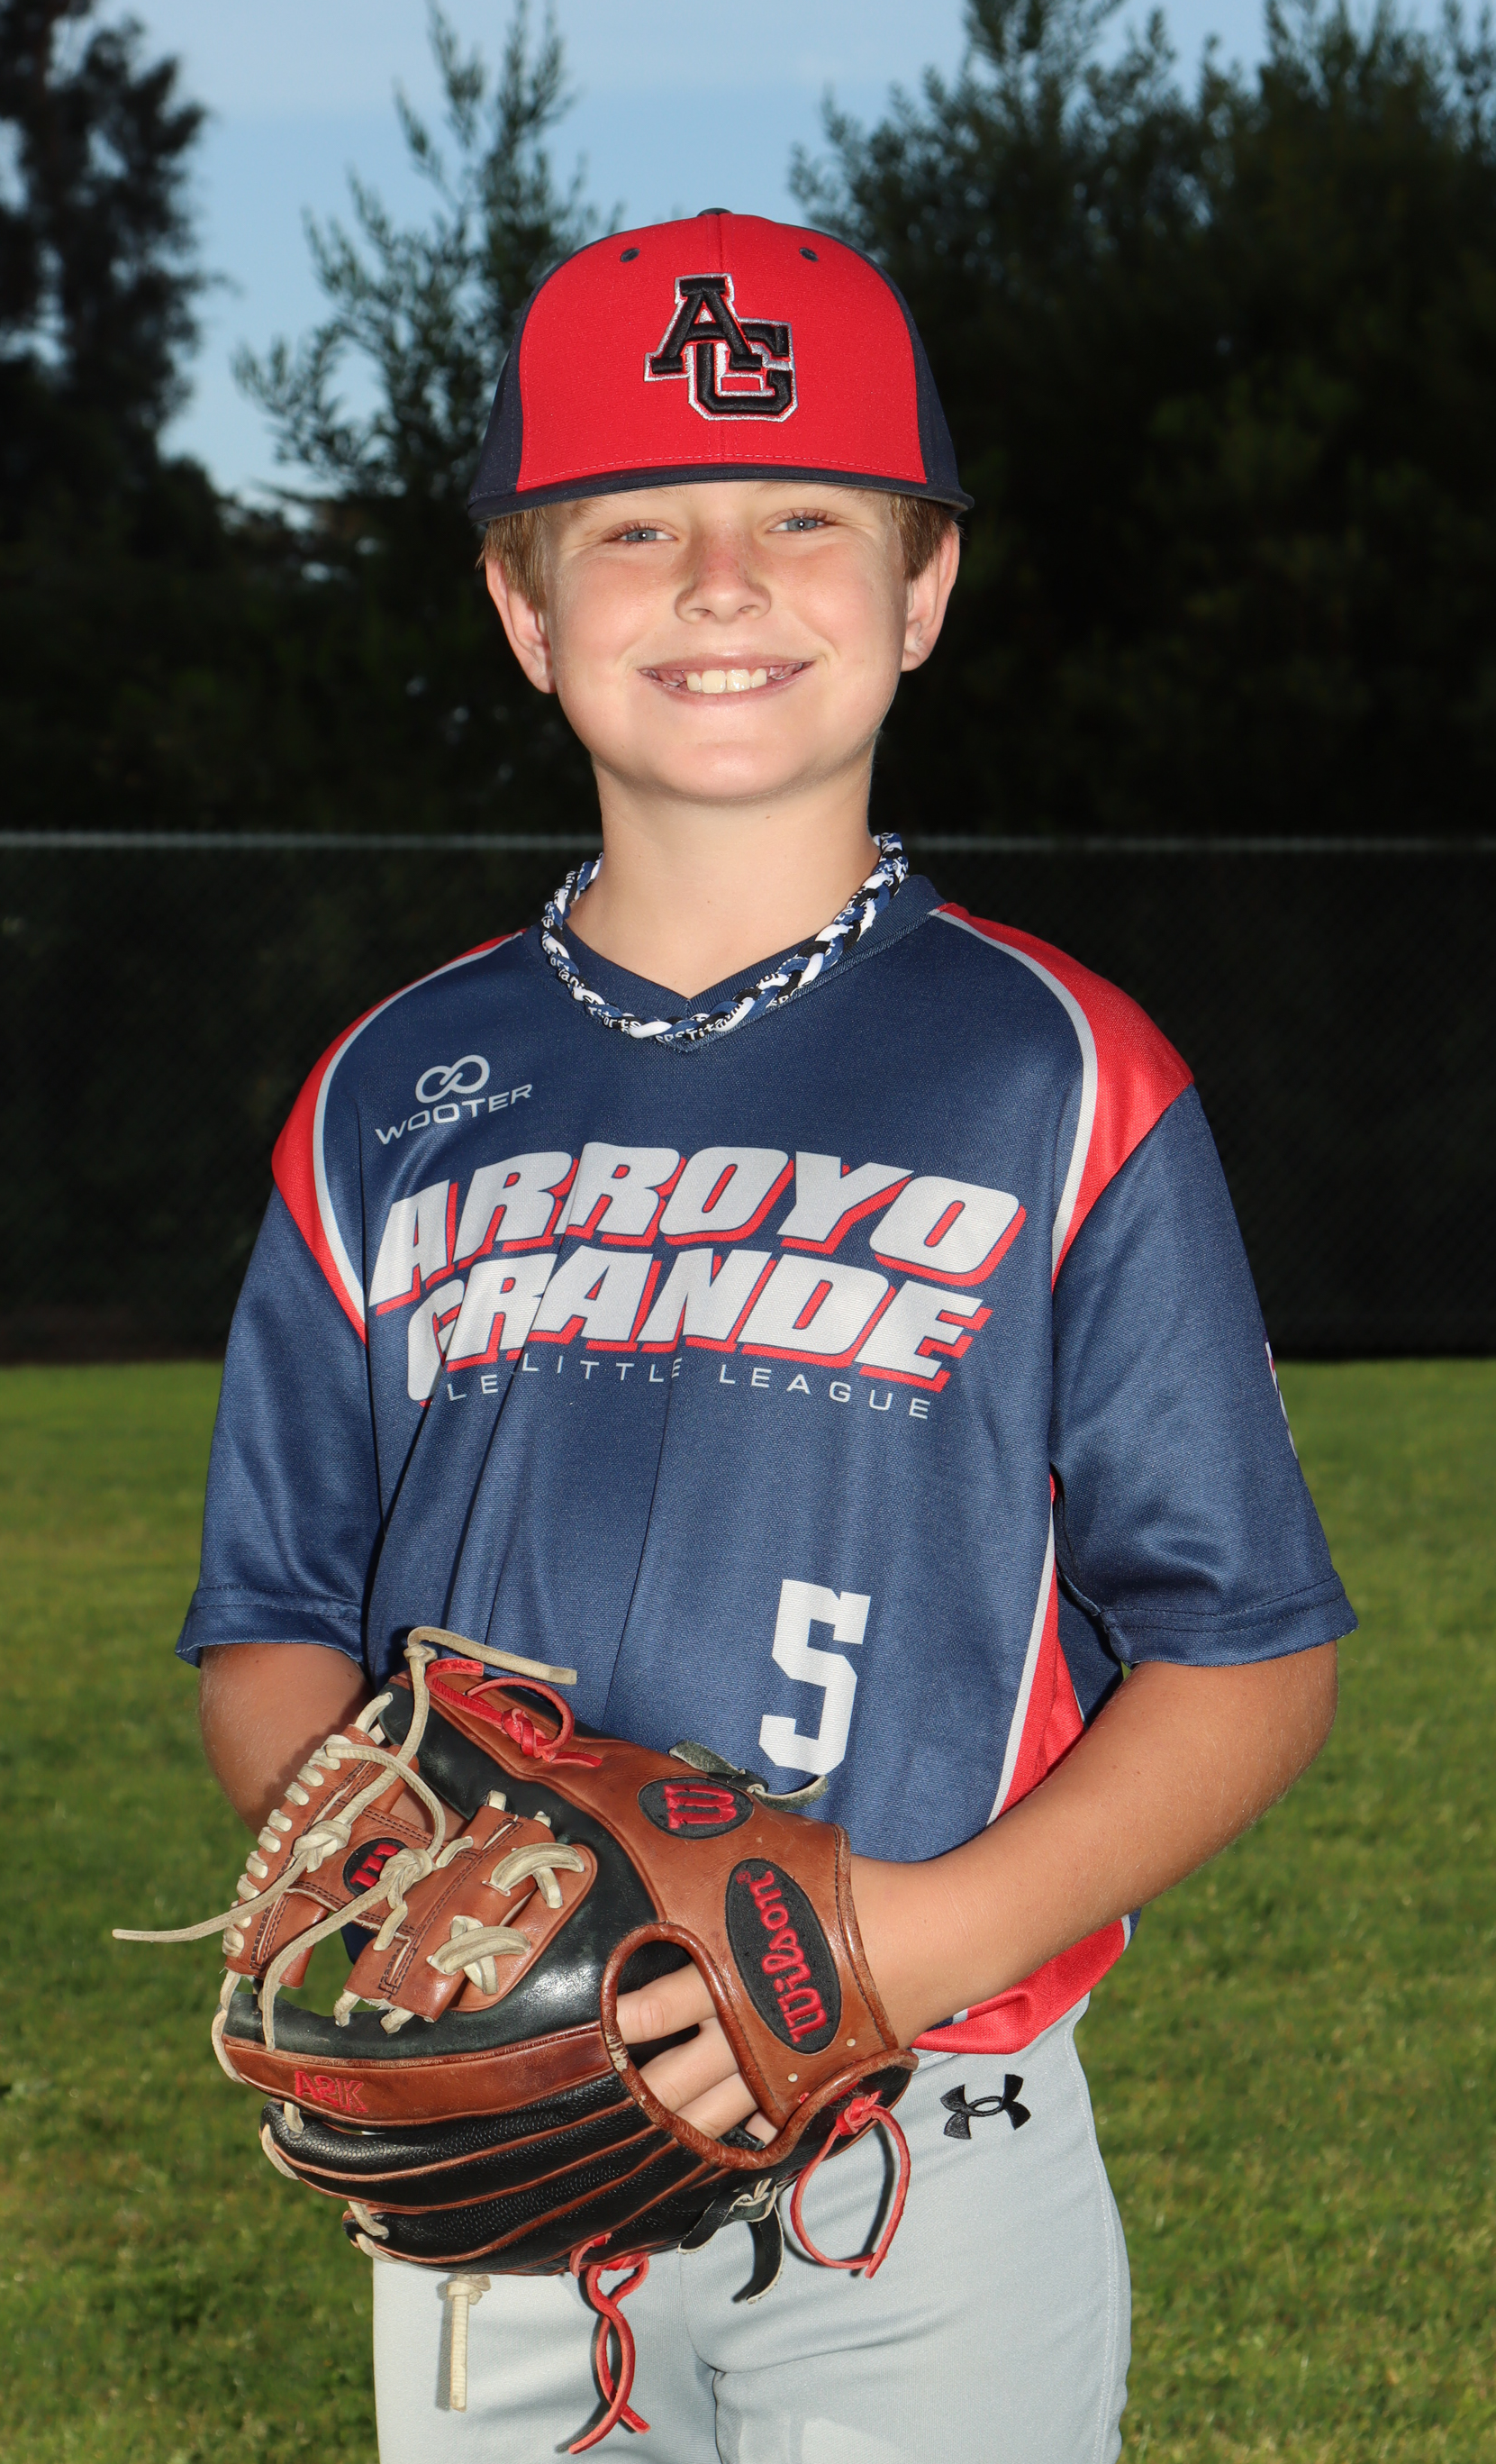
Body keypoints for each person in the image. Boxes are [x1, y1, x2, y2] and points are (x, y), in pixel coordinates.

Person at [182, 208, 1354, 2462]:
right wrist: (418, 1891)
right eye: (634, 527)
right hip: (498, 2154)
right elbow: (268, 1623)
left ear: (922, 588)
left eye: (805, 516)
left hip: (928, 2147)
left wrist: (881, 1953)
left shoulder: (1055, 1072)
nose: (721, 581)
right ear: (525, 608)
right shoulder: (383, 1097)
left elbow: (1249, 1654)